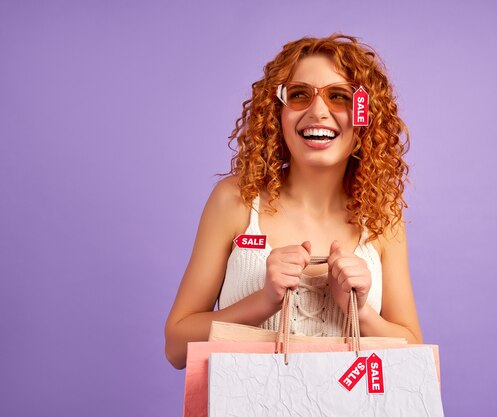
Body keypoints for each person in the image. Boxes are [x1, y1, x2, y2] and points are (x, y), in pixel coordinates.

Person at [164, 33, 422, 370]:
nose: (318, 111)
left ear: (363, 115)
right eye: (299, 95)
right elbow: (176, 347)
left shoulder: (380, 215)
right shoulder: (236, 201)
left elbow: (415, 354)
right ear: (277, 114)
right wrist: (263, 300)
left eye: (339, 97)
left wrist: (360, 313)